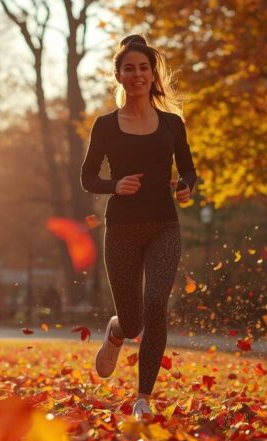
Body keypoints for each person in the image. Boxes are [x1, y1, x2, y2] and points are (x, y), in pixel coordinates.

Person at [80, 34, 197, 420]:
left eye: (143, 68)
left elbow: (189, 172)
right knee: (133, 322)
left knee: (155, 306)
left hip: (164, 225)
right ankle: (116, 330)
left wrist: (185, 189)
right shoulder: (106, 126)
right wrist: (115, 185)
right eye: (129, 68)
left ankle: (143, 397)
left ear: (153, 73)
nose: (137, 74)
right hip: (123, 230)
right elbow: (87, 178)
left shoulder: (172, 124)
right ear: (119, 75)